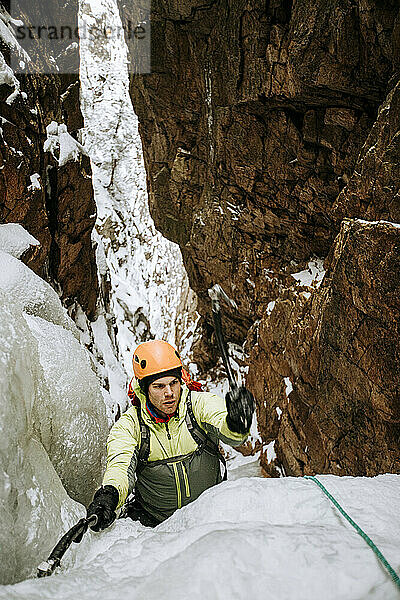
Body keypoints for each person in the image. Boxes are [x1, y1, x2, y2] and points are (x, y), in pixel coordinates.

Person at [87, 340, 255, 529]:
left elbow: (231, 434)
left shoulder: (197, 405)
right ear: (144, 389)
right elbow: (120, 466)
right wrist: (109, 495)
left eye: (174, 383)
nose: (169, 393)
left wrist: (236, 423)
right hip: (155, 524)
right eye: (159, 386)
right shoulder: (130, 426)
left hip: (210, 515)